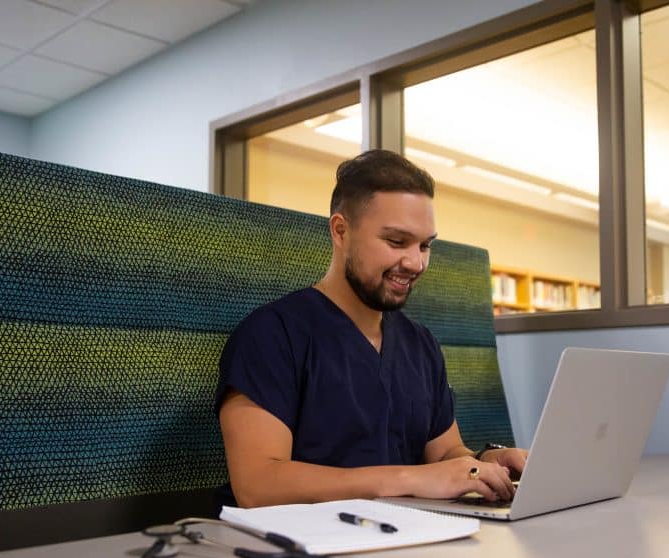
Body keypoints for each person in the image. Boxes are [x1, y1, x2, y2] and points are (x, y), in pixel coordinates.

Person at [214, 150, 527, 508]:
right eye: (396, 242)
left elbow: (445, 452)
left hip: (413, 537)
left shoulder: (420, 344)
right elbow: (257, 485)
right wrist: (409, 478)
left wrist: (483, 464)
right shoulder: (272, 335)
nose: (415, 262)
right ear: (340, 231)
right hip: (309, 547)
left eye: (425, 245)